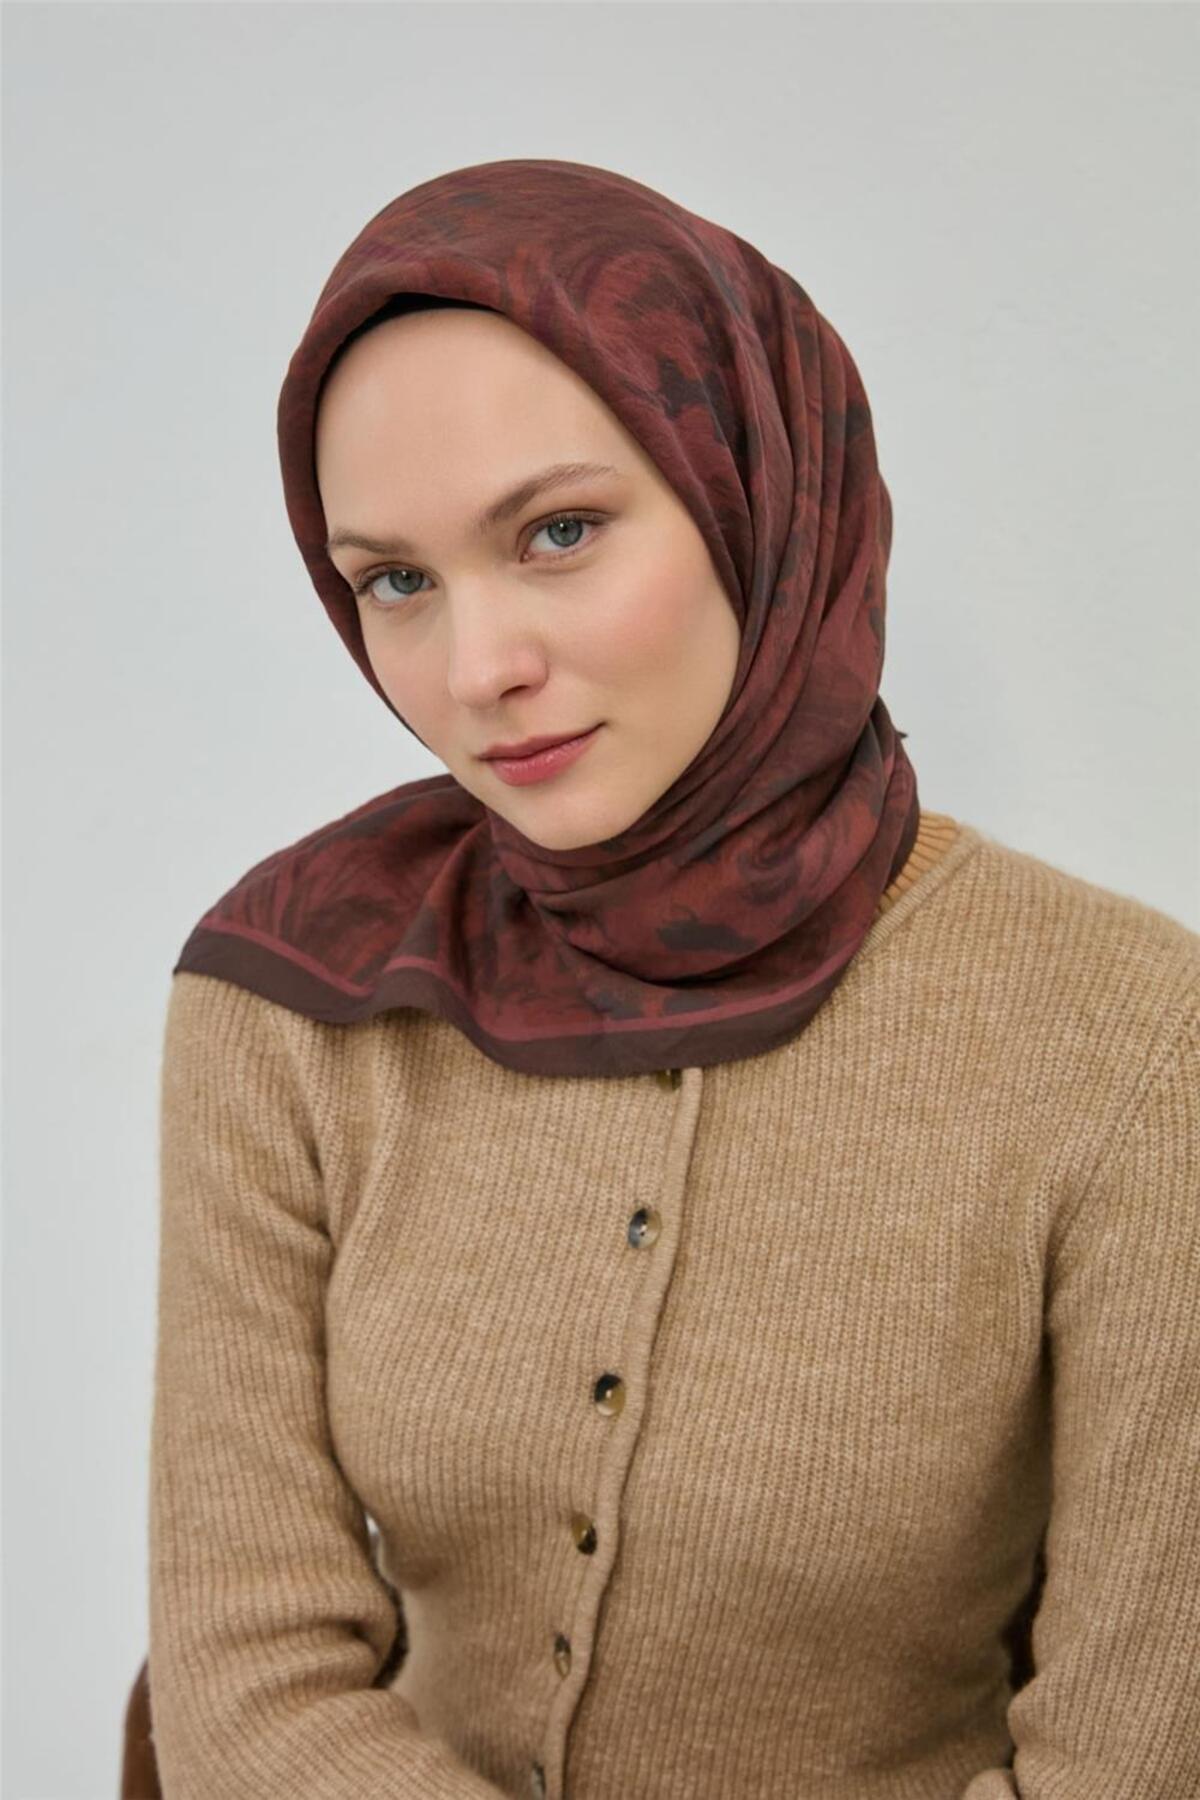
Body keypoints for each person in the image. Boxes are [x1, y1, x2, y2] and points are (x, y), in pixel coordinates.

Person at [127, 159, 1199, 1799]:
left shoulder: (1126, 1035)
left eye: (558, 533)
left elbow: (1130, 1755)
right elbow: (245, 1684)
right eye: (396, 580)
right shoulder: (293, 994)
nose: (477, 669)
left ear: (756, 493)